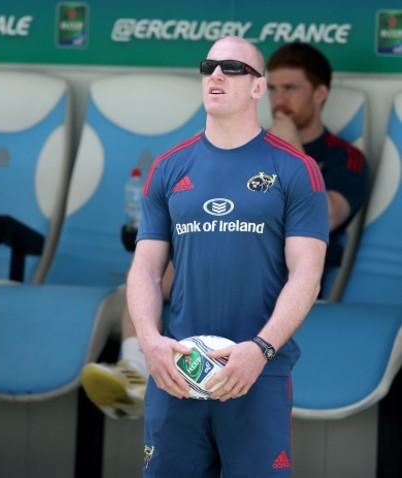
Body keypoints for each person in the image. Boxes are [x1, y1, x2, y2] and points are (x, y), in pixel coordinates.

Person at [80, 40, 368, 421]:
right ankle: (136, 369)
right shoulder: (219, 153)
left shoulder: (336, 157)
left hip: (279, 272)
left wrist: (289, 139)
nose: (279, 99)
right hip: (211, 267)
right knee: (144, 274)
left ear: (319, 94)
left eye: (291, 88)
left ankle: (139, 368)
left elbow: (331, 215)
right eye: (275, 87)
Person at [128, 35, 328, 477]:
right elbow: (144, 267)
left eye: (234, 68)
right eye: (209, 67)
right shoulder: (169, 167)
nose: (216, 74)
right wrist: (149, 342)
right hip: (177, 369)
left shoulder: (295, 168)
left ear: (259, 87)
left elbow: (307, 275)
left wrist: (260, 349)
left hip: (257, 372)